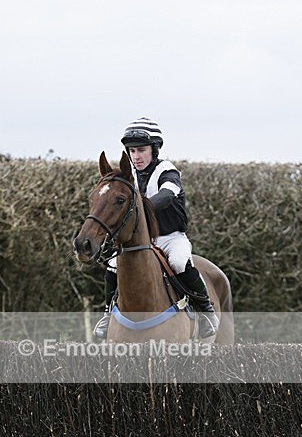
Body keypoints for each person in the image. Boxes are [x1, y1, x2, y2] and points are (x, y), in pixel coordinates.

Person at [93, 117, 219, 338]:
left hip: (171, 237)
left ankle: (206, 310)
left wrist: (141, 206)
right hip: (144, 240)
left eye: (141, 150)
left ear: (154, 149)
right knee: (113, 264)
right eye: (132, 151)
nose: (136, 156)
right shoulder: (128, 176)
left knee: (179, 262)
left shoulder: (167, 171)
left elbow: (168, 195)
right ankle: (107, 314)